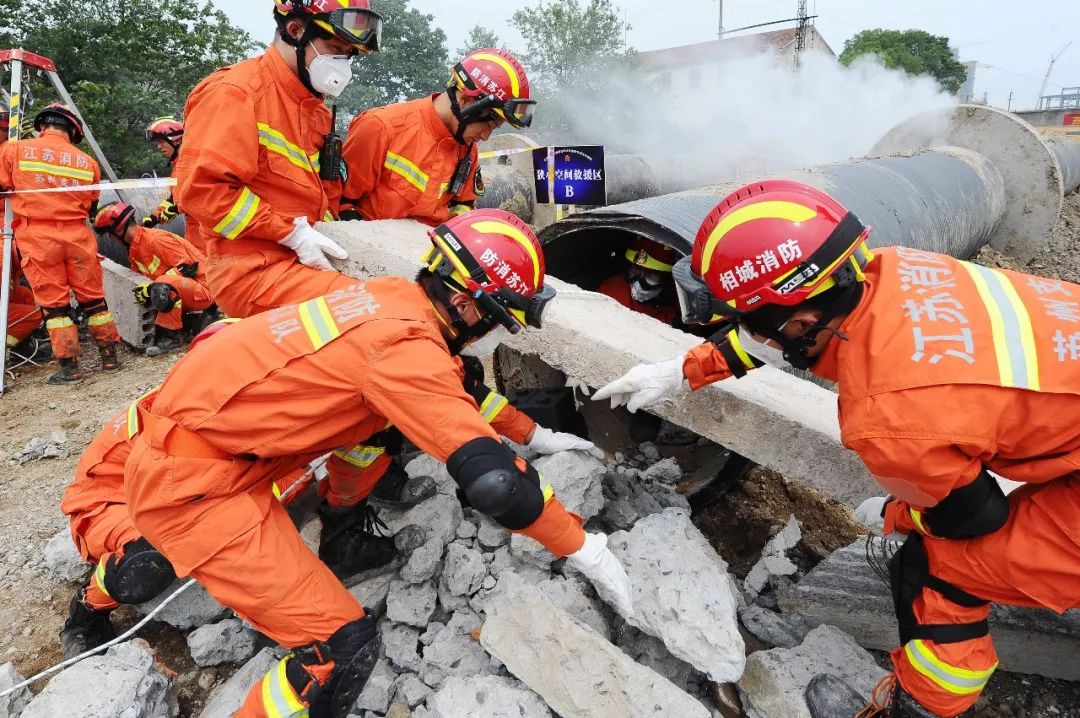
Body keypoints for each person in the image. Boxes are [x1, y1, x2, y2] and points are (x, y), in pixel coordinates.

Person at [594, 179, 1080, 718]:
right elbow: (792, 331)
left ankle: (920, 708)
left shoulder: (888, 416)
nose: (755, 338)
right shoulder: (896, 270)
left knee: (944, 568)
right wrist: (684, 369)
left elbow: (973, 517)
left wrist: (900, 512)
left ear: (800, 322)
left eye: (753, 326)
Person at [124, 211, 631, 717]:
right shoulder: (405, 351)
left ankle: (340, 532)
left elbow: (459, 391)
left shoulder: (389, 297)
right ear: (462, 301)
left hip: (211, 448)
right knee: (342, 650)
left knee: (383, 430)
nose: (493, 334)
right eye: (497, 318)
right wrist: (584, 546)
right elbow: (497, 484)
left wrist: (535, 435)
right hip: (196, 490)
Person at [173, 0, 383, 319]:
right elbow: (202, 192)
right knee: (376, 310)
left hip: (303, 261)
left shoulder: (314, 109)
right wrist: (291, 233)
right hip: (253, 271)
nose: (343, 64)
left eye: (349, 55)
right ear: (296, 31)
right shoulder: (236, 93)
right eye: (335, 48)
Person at [338, 48, 535, 226]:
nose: (485, 137)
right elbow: (338, 202)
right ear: (466, 101)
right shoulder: (381, 128)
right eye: (488, 125)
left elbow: (464, 204)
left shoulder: (467, 150)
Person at [0, 103, 121, 383]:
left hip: (39, 237)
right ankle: (110, 358)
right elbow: (91, 203)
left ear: (42, 126)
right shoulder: (87, 162)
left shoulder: (14, 150)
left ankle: (70, 368)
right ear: (73, 130)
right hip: (79, 236)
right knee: (93, 301)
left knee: (55, 307)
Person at [92, 201, 213, 355]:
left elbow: (188, 268)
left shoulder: (155, 240)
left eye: (109, 233)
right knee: (149, 289)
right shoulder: (135, 249)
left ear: (118, 229)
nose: (110, 238)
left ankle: (171, 336)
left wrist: (152, 287)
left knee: (162, 285)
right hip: (187, 290)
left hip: (203, 289)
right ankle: (192, 322)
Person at [597, 237, 681, 325]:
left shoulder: (680, 309)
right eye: (635, 270)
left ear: (666, 280)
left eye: (650, 274)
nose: (639, 281)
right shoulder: (610, 292)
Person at [140, 116, 185, 232]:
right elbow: (173, 199)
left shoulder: (189, 164)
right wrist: (154, 218)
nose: (159, 147)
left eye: (161, 141)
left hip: (204, 227)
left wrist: (176, 208)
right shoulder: (178, 166)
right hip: (196, 228)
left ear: (177, 140)